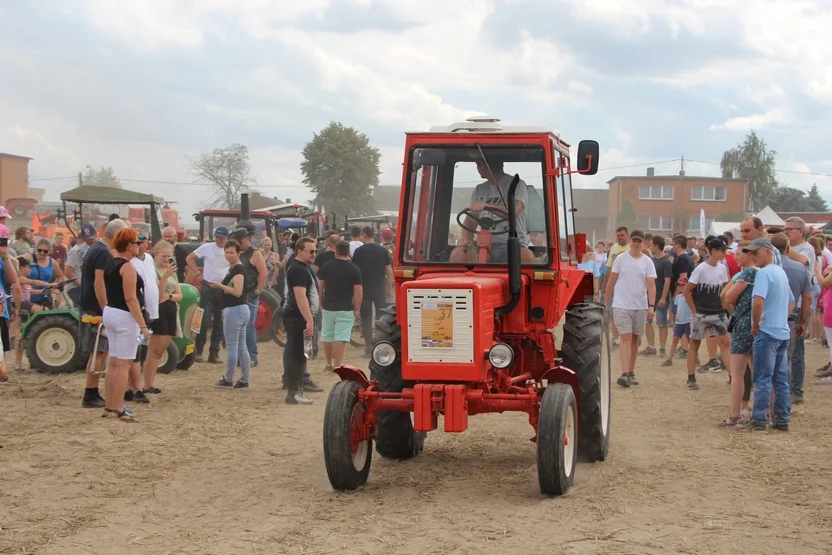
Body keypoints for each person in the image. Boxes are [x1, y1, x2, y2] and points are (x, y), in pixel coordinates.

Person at [743, 237, 794, 431]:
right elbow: (791, 300)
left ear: (767, 251)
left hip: (767, 332)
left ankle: (759, 419)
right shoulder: (780, 272)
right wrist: (781, 317)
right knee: (780, 379)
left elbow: (757, 302)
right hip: (781, 332)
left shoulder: (763, 274)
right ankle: (782, 419)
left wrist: (756, 324)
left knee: (762, 378)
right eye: (750, 253)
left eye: (755, 252)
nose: (752, 256)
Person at [101, 228, 150, 422]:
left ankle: (110, 405)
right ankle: (119, 407)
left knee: (114, 362)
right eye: (137, 243)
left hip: (110, 312)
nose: (139, 246)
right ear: (130, 246)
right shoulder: (128, 267)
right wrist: (143, 325)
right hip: (124, 315)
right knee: (124, 363)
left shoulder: (112, 263)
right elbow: (131, 299)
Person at [79, 218, 127, 408]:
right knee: (98, 351)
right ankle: (90, 393)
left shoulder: (97, 249)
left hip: (92, 305)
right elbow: (99, 283)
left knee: (99, 351)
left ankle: (92, 391)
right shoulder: (102, 252)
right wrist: (106, 308)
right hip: (95, 308)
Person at [604, 230, 656, 388]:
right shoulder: (620, 258)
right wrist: (606, 302)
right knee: (625, 337)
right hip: (621, 304)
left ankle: (631, 372)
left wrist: (651, 305)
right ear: (630, 241)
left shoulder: (647, 262)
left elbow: (651, 284)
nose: (636, 243)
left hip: (640, 305)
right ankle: (624, 372)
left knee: (635, 339)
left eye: (639, 241)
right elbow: (612, 281)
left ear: (643, 243)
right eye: (634, 240)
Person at [454, 158, 531, 264]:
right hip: (484, 244)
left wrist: (487, 205)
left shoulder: (516, 185)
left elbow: (516, 210)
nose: (477, 168)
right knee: (458, 255)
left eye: (478, 164)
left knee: (525, 256)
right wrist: (466, 240)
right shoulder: (480, 189)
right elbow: (471, 220)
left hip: (512, 244)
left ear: (483, 165)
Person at [682, 236, 731, 390]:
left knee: (725, 344)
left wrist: (725, 307)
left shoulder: (722, 268)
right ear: (714, 251)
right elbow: (687, 290)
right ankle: (691, 377)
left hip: (718, 312)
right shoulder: (701, 269)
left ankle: (732, 376)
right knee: (695, 344)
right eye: (722, 251)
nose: (724, 254)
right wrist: (694, 311)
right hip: (702, 313)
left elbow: (724, 289)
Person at [769, 233, 813, 406]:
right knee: (788, 358)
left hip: (769, 319)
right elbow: (807, 298)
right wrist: (802, 321)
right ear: (788, 248)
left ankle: (770, 400)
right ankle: (786, 397)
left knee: (767, 361)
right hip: (790, 318)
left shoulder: (766, 268)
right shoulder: (799, 268)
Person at [719, 240, 757, 426]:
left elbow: (727, 295)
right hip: (757, 324)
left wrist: (732, 310)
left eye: (738, 254)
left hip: (743, 325)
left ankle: (734, 414)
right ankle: (760, 411)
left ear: (749, 254)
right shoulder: (764, 272)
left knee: (738, 373)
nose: (735, 257)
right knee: (758, 372)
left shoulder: (747, 273)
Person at [283, 237, 319, 405]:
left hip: (299, 316)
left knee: (301, 355)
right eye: (310, 251)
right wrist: (309, 320)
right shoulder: (298, 269)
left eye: (315, 251)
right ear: (299, 251)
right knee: (298, 355)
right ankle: (293, 392)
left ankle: (296, 391)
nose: (314, 254)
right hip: (298, 317)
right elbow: (300, 297)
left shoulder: (302, 267)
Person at [142, 240, 181, 394]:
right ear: (156, 255)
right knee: (154, 350)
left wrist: (170, 296)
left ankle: (150, 382)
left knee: (161, 350)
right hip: (159, 311)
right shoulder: (153, 271)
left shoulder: (172, 272)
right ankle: (147, 384)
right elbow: (157, 294)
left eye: (169, 256)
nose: (166, 259)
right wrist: (164, 277)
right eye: (163, 256)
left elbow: (180, 295)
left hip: (170, 308)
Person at [211, 240, 251, 389]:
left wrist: (220, 285)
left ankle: (229, 379)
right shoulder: (233, 269)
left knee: (233, 346)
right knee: (241, 346)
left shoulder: (238, 270)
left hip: (236, 309)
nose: (228, 255)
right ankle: (244, 379)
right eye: (226, 252)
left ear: (238, 253)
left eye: (231, 252)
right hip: (238, 309)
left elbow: (237, 292)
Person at [186, 227, 230, 363]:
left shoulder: (230, 250)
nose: (218, 240)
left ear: (226, 238)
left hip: (222, 288)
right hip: (208, 286)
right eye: (217, 237)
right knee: (203, 318)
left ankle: (214, 352)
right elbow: (190, 258)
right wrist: (197, 273)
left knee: (219, 321)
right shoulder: (207, 247)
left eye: (221, 238)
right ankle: (199, 350)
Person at [318, 240, 362, 371]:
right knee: (340, 337)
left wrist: (320, 303)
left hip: (328, 306)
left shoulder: (326, 266)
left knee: (327, 336)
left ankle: (328, 363)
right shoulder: (354, 268)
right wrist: (357, 308)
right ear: (348, 252)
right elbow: (358, 291)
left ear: (335, 251)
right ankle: (337, 364)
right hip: (345, 306)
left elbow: (320, 287)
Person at [352, 226, 394, 358]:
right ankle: (380, 346)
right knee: (381, 318)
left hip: (364, 287)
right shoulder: (382, 250)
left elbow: (355, 271)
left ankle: (369, 348)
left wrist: (354, 292)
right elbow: (389, 271)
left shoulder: (359, 251)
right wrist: (389, 289)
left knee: (366, 318)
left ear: (364, 235)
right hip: (379, 286)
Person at [232, 225, 267, 368]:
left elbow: (263, 273)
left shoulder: (255, 253)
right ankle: (242, 355)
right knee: (238, 327)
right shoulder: (237, 253)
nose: (238, 244)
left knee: (249, 326)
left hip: (250, 295)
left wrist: (257, 291)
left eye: (240, 241)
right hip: (237, 294)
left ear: (247, 239)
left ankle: (252, 356)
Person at [643, 236, 672, 358]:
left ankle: (662, 348)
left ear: (656, 245)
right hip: (650, 297)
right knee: (648, 322)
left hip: (660, 297)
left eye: (652, 244)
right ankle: (651, 346)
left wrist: (663, 298)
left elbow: (667, 281)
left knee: (662, 323)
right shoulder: (651, 260)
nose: (650, 246)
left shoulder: (666, 262)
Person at [0, 225, 21, 385]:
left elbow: (13, 279)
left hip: (1, 306)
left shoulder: (4, 256)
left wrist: (5, 256)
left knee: (2, 346)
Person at [602, 227, 630, 347]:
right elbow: (609, 268)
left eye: (622, 235)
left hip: (628, 285)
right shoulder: (614, 248)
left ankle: (628, 337)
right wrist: (604, 285)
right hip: (615, 284)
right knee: (613, 312)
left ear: (627, 235)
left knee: (628, 312)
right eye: (618, 235)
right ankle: (615, 338)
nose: (620, 237)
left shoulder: (631, 247)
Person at [661, 277, 692, 367]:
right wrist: (675, 322)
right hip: (679, 322)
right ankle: (669, 359)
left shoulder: (691, 296)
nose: (681, 287)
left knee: (691, 342)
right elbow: (678, 310)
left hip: (688, 321)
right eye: (679, 285)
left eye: (683, 285)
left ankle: (695, 358)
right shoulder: (678, 297)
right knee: (675, 340)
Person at [65, 224, 97, 306]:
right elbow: (68, 271)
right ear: (79, 239)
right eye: (84, 239)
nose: (87, 242)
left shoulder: (85, 250)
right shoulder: (75, 251)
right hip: (75, 287)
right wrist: (81, 285)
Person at [29, 238, 65, 309]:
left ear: (49, 251)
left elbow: (60, 275)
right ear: (36, 249)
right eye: (39, 250)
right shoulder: (29, 258)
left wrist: (58, 287)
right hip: (29, 297)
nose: (42, 252)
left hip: (45, 298)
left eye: (45, 251)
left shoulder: (52, 262)